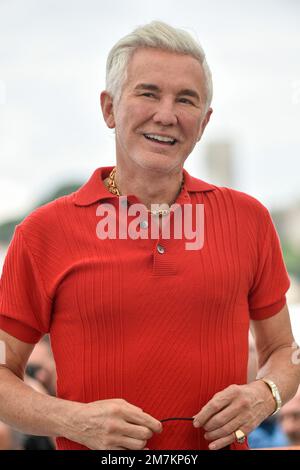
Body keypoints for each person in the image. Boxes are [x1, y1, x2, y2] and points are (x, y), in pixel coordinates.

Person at [0, 21, 299, 451]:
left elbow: (283, 351)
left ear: (204, 122)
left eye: (186, 100)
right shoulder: (42, 234)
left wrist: (264, 395)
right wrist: (72, 420)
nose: (167, 114)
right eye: (148, 93)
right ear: (109, 109)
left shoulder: (249, 219)